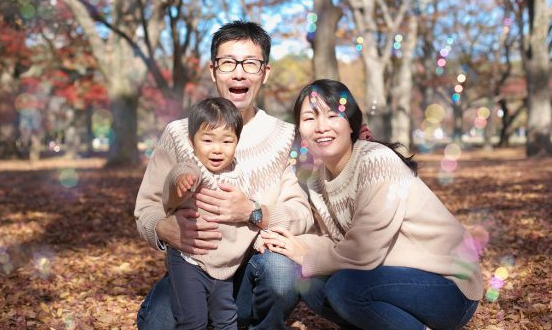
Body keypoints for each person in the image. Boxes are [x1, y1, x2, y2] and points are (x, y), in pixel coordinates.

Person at [260, 79, 484, 330]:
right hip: (391, 277)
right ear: (300, 130)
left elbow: (362, 249)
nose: (321, 127)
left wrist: (306, 256)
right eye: (310, 119)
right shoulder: (317, 180)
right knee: (313, 285)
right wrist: (287, 244)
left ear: (351, 125)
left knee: (344, 287)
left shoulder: (375, 161)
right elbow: (335, 241)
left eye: (333, 115)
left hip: (448, 285)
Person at [134, 21, 315, 330]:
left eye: (251, 64)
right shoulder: (179, 134)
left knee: (282, 274)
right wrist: (165, 229)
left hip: (252, 274)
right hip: (194, 267)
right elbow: (145, 211)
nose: (239, 73)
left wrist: (254, 212)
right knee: (157, 323)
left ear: (265, 73)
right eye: (228, 62)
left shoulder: (284, 137)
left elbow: (303, 214)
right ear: (213, 70)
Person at [163, 97, 254, 330]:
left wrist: (261, 236)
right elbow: (179, 172)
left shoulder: (240, 174)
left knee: (226, 318)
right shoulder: (194, 167)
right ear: (192, 142)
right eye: (207, 140)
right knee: (193, 320)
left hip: (223, 265)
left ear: (237, 142)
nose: (217, 149)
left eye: (226, 141)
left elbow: (248, 213)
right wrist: (181, 181)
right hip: (189, 260)